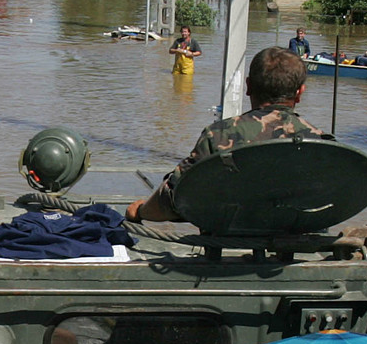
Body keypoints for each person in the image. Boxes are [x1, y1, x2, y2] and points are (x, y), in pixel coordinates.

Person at [129, 46, 319, 222]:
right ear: (300, 92)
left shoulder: (219, 135)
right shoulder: (319, 141)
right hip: (295, 232)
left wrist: (140, 211)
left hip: (229, 233)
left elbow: (175, 196)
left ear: (248, 85)